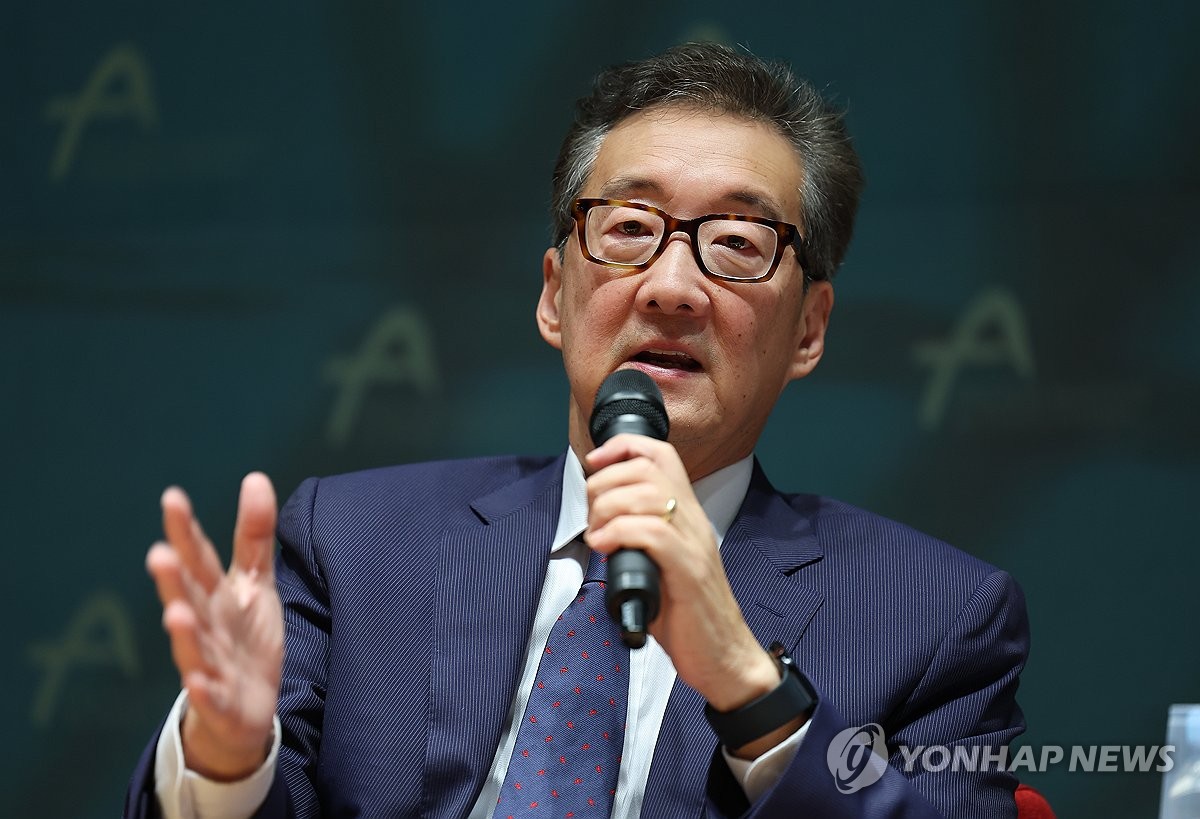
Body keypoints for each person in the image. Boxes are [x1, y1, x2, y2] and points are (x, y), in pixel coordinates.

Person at [125, 42, 1028, 818]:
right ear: (555, 295)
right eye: (630, 228)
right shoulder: (356, 542)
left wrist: (754, 691)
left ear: (810, 329)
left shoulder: (935, 617)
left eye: (738, 244)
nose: (672, 286)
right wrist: (229, 755)